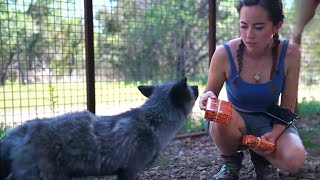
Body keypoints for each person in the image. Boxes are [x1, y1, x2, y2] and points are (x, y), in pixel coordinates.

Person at [199, 0, 306, 179]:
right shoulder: (223, 53)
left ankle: (262, 158)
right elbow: (208, 95)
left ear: (277, 25)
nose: (249, 35)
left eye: (258, 27)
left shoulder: (291, 53)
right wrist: (207, 98)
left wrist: (274, 134)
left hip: (271, 121)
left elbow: (288, 106)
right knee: (219, 117)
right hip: (233, 122)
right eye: (243, 26)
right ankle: (231, 164)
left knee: (294, 158)